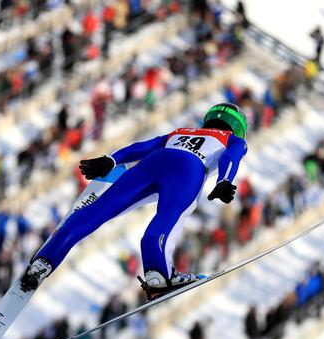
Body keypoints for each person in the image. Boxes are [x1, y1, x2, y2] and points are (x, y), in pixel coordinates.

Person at [19, 103, 248, 299]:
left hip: (154, 161)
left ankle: (43, 261)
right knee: (168, 216)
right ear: (238, 126)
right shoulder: (233, 139)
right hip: (189, 168)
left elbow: (144, 147)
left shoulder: (181, 131)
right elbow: (231, 156)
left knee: (99, 209)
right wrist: (224, 180)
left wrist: (112, 160)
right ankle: (157, 273)